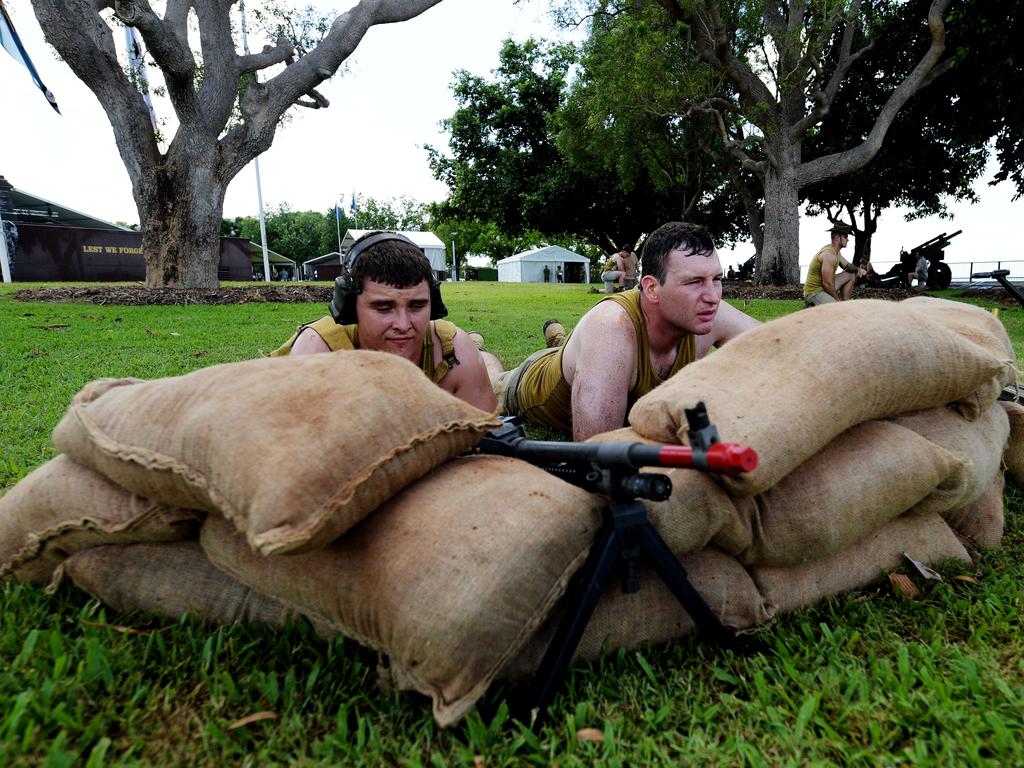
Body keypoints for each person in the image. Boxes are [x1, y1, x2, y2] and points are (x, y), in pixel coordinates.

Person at [474, 221, 760, 441]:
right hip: (530, 383)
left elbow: (784, 347)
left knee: (573, 350)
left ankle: (559, 337)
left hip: (584, 357)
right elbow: (596, 451)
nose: (712, 295)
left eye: (717, 279)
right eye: (694, 282)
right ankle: (479, 349)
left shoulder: (707, 311)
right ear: (651, 288)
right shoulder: (612, 328)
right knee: (490, 378)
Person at [271, 231, 496, 412]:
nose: (403, 324)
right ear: (350, 307)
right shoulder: (316, 357)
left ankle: (485, 355)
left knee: (487, 365)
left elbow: (486, 443)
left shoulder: (454, 352)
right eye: (383, 308)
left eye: (417, 306)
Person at [803, 222, 866, 305]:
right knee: (838, 307)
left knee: (851, 274)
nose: (848, 239)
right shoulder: (829, 255)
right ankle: (816, 304)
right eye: (845, 236)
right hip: (815, 292)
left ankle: (844, 302)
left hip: (824, 286)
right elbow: (827, 284)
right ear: (837, 237)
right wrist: (837, 300)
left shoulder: (836, 252)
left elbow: (848, 267)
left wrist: (858, 270)